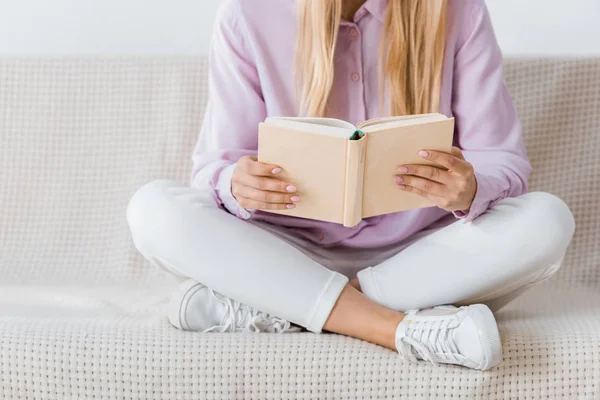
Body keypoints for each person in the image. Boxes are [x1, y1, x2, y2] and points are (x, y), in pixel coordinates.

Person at [126, 0, 575, 370]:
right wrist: (235, 184)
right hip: (283, 249)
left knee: (548, 220)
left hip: (421, 259)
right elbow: (213, 168)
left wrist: (470, 188)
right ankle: (397, 329)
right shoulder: (247, 13)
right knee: (152, 209)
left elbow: (504, 161)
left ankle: (282, 305)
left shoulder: (457, 10)